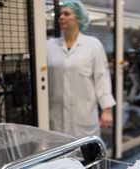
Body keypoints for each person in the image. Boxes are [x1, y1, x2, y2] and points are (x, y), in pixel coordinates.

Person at [47, 0, 116, 138]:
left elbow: (102, 78)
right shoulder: (49, 45)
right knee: (60, 156)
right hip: (55, 115)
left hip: (84, 116)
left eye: (67, 14)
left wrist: (107, 110)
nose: (61, 17)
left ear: (78, 18)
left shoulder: (93, 45)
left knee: (85, 156)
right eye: (60, 14)